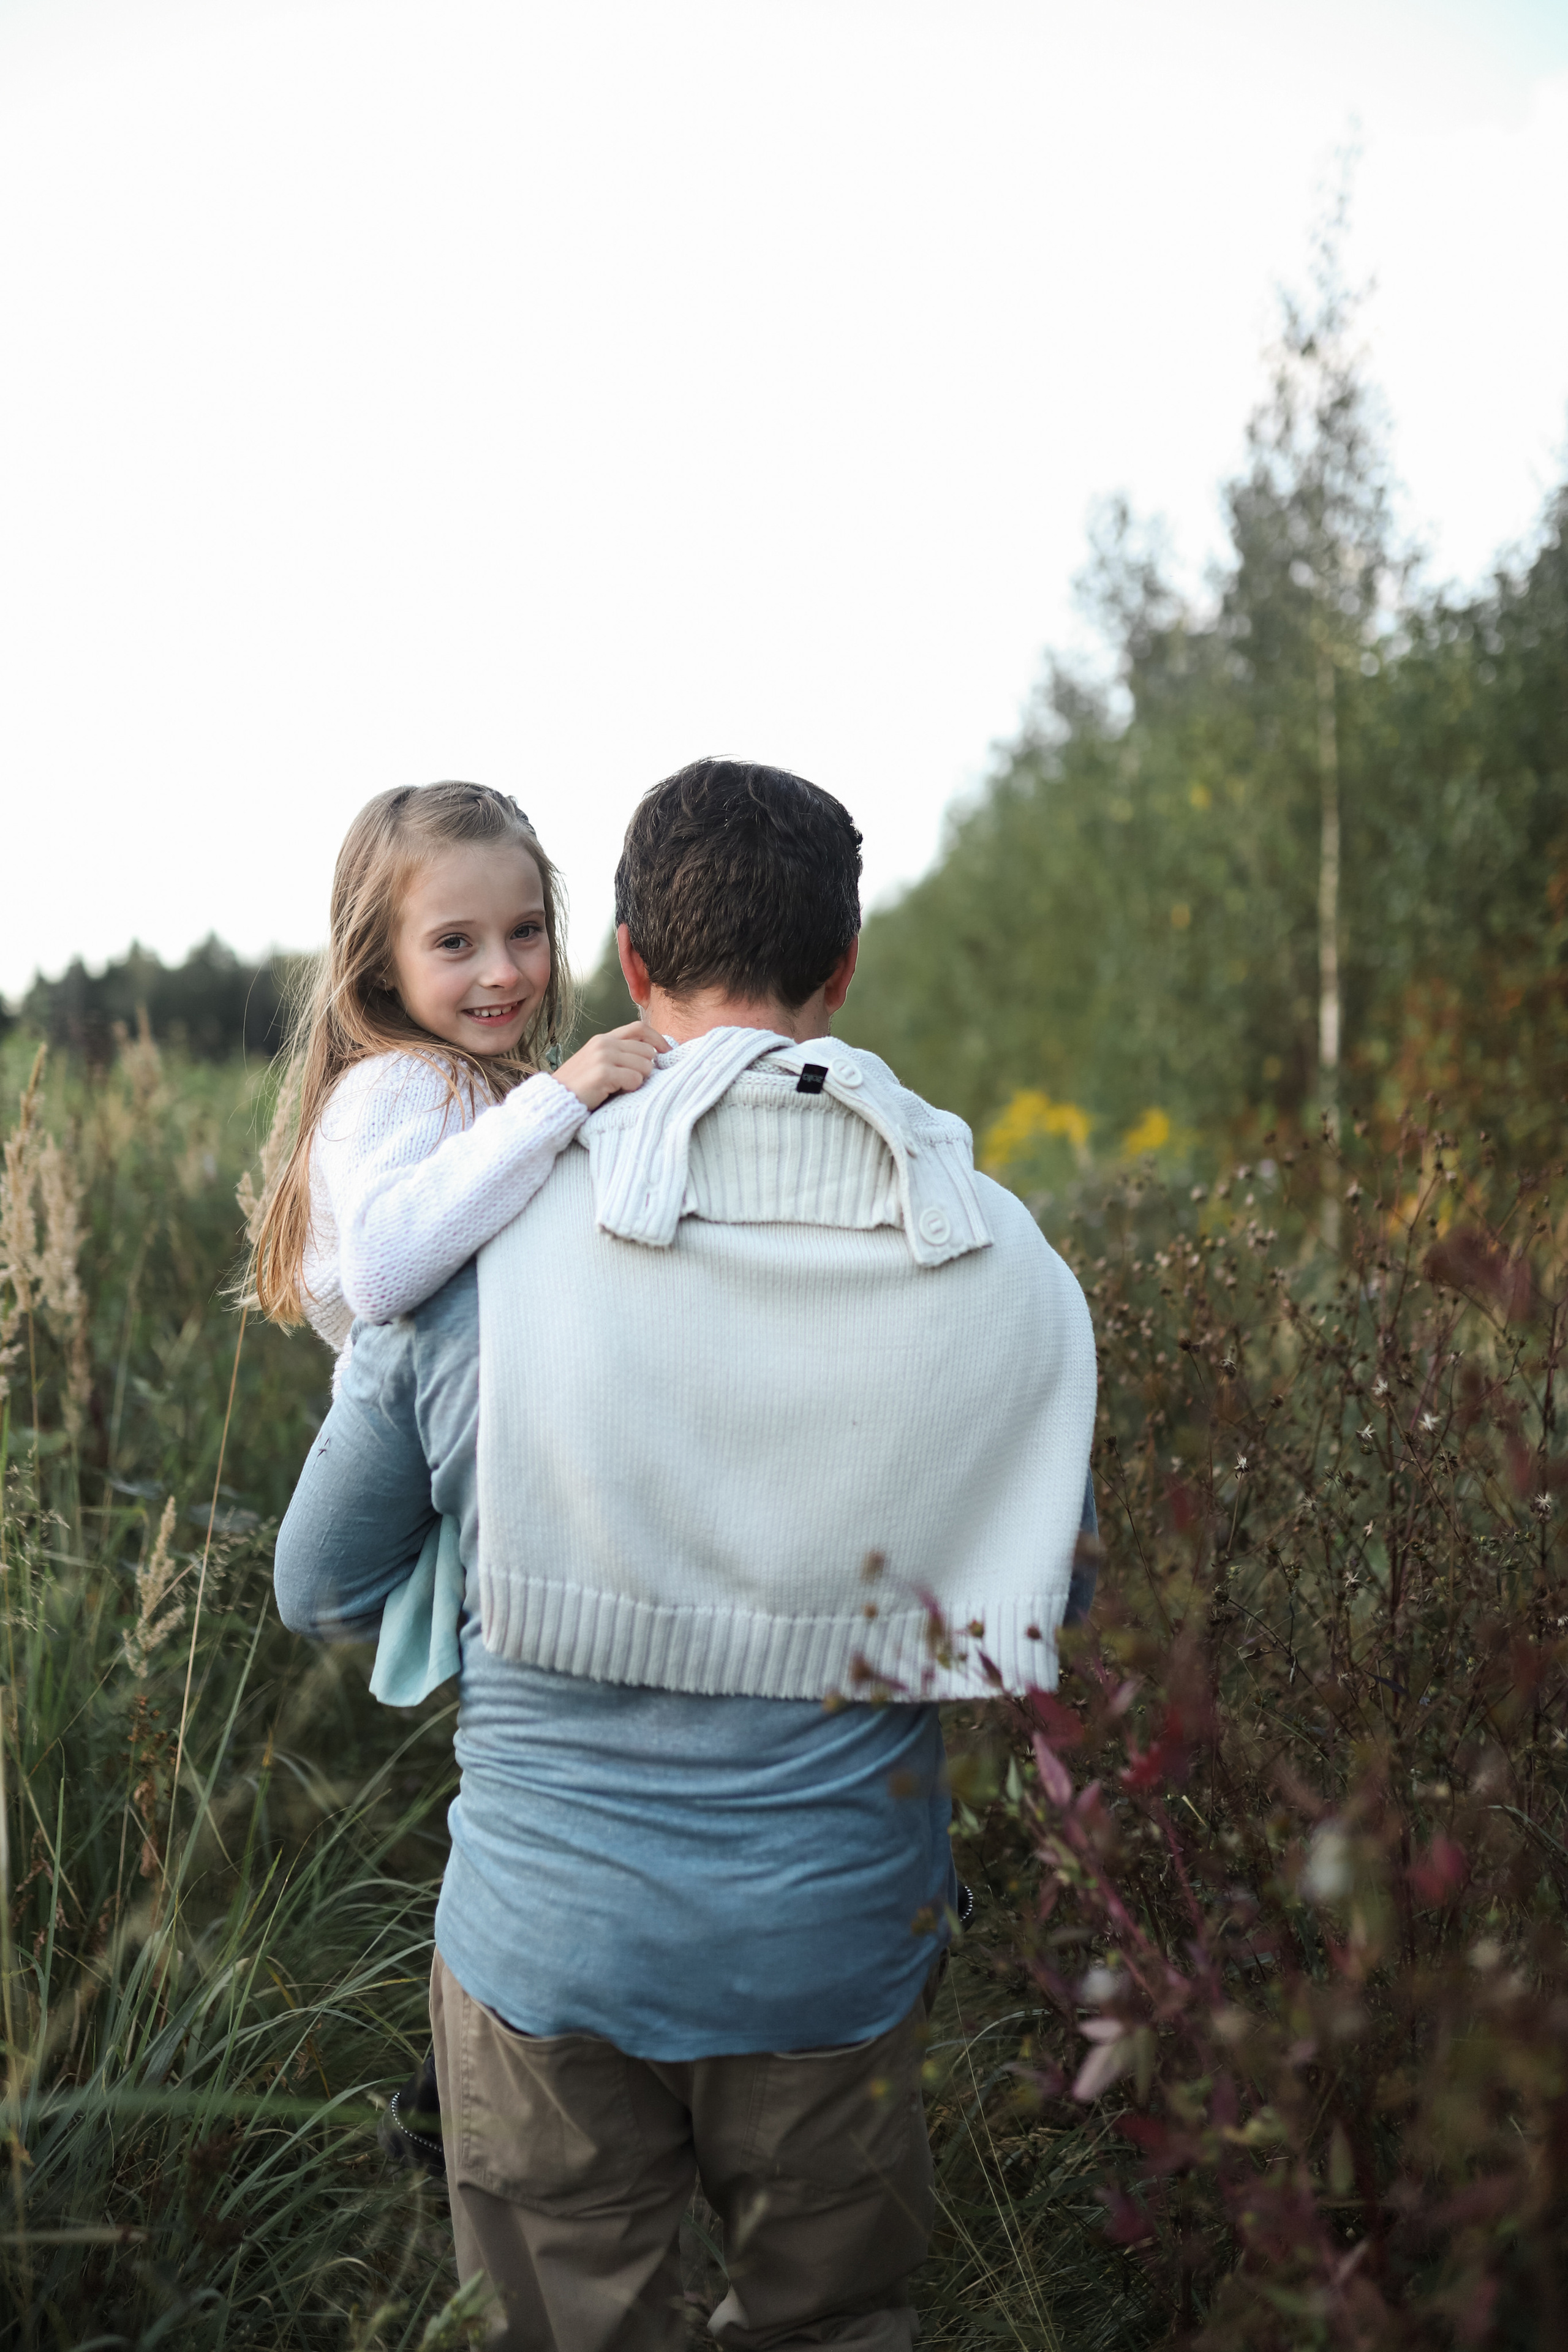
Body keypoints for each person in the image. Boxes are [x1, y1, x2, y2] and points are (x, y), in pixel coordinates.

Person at [274, 758, 1098, 2352]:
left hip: (546, 1947)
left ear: (633, 966)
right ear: (844, 973)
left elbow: (320, 1584)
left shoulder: (478, 1256)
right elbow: (1041, 1610)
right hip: (843, 1947)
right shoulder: (1006, 1263)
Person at [252, 778, 665, 1701]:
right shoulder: (405, 1082)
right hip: (404, 1404)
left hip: (469, 1407)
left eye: (526, 931)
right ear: (381, 965)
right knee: (316, 1591)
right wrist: (560, 1100)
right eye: (454, 944)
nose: (504, 971)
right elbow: (385, 1270)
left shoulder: (474, 1081)